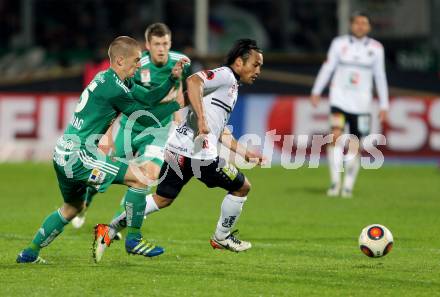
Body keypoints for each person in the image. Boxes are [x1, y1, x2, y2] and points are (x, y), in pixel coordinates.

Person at [16, 36, 188, 264]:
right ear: (119, 60)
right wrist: (179, 102)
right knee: (141, 178)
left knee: (72, 208)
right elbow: (146, 118)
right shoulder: (113, 88)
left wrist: (170, 81)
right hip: (80, 156)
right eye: (136, 60)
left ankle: (29, 253)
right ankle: (133, 239)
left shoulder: (112, 80)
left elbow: (146, 98)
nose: (140, 64)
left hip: (63, 153)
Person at [93, 39, 264, 262]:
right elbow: (193, 81)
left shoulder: (230, 86)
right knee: (242, 187)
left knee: (162, 199)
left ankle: (110, 229)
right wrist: (201, 120)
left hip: (179, 148)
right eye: (256, 64)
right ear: (239, 62)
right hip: (199, 155)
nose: (258, 70)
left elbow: (218, 129)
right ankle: (222, 236)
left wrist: (244, 152)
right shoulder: (225, 76)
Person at [71, 23, 191, 229]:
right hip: (131, 125)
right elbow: (125, 99)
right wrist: (108, 134)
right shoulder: (136, 63)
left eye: (165, 43)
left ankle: (118, 222)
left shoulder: (180, 62)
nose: (162, 49)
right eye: (157, 44)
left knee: (148, 174)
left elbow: (181, 87)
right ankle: (84, 203)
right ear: (148, 45)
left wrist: (177, 112)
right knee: (101, 171)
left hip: (159, 128)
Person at [310, 11, 389, 198]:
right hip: (339, 99)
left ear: (369, 27)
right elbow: (328, 66)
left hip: (362, 103)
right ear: (351, 25)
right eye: (357, 23)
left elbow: (380, 75)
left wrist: (384, 104)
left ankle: (348, 186)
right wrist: (316, 90)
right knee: (335, 136)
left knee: (355, 144)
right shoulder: (339, 44)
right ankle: (335, 182)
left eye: (364, 23)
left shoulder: (376, 48)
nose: (360, 26)